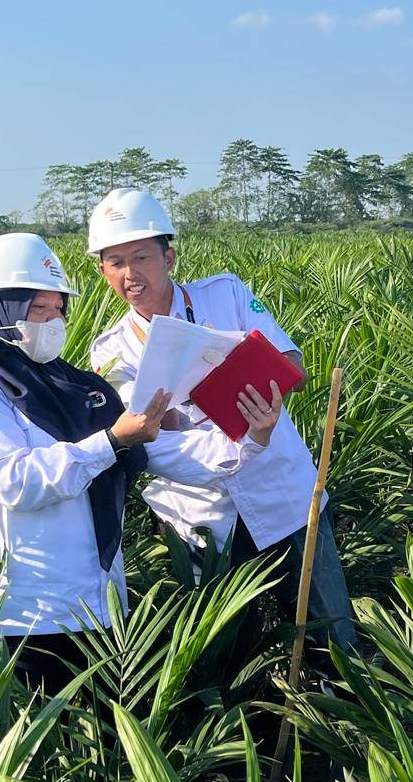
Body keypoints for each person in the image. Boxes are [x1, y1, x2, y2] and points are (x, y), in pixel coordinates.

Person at [0, 232, 284, 695]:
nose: (53, 320)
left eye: (58, 308)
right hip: (26, 614)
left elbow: (157, 449)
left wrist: (247, 441)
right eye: (38, 309)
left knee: (104, 734)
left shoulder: (78, 387)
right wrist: (108, 442)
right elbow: (13, 481)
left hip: (98, 606)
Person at [86, 188, 357, 656]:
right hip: (200, 518)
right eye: (116, 262)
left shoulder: (225, 294)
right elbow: (151, 438)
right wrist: (231, 431)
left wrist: (239, 380)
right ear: (103, 271)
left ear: (169, 257)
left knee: (329, 636)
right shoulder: (111, 351)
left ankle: (335, 698)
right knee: (228, 655)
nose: (131, 274)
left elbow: (292, 365)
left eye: (142, 257)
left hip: (282, 493)